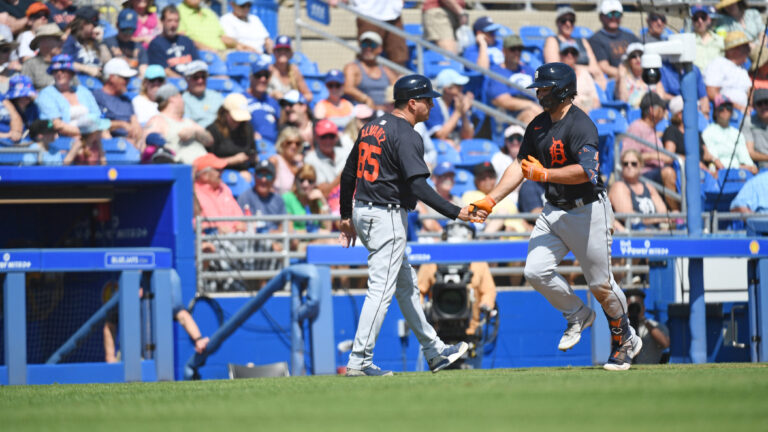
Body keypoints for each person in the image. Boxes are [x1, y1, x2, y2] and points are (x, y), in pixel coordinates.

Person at [469, 62, 643, 370]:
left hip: (587, 210)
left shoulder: (581, 125)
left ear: (563, 90)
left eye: (545, 88)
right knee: (535, 271)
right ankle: (577, 313)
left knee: (601, 285)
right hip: (554, 210)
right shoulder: (537, 125)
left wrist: (545, 172)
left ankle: (622, 339)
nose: (540, 94)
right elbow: (520, 165)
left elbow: (588, 171)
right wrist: (491, 199)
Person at [337, 74, 483, 376]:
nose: (431, 105)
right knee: (381, 290)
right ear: (412, 102)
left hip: (365, 211)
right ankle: (359, 361)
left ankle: (435, 351)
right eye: (427, 100)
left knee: (406, 286)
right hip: (385, 215)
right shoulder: (406, 134)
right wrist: (456, 212)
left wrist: (345, 216)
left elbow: (348, 173)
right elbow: (418, 186)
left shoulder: (371, 126)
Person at [417, 222, 496, 342]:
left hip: (470, 330)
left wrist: (486, 305)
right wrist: (421, 309)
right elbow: (418, 290)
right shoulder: (432, 261)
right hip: (437, 331)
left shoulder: (478, 262)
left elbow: (489, 290)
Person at [621, 92, 678, 198]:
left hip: (656, 172)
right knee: (668, 173)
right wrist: (655, 156)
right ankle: (677, 213)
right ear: (652, 110)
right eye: (662, 108)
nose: (665, 111)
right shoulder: (636, 127)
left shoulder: (652, 130)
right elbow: (627, 156)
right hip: (643, 174)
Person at [35, 54, 101, 140]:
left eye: (63, 70)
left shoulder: (83, 91)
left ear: (71, 73)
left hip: (93, 134)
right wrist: (86, 134)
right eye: (55, 71)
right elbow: (56, 124)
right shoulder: (46, 94)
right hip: (65, 139)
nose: (59, 73)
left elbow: (97, 116)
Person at [144, 82, 212, 164]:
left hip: (208, 164)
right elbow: (146, 149)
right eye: (180, 96)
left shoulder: (188, 121)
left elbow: (210, 141)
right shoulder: (158, 120)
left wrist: (195, 133)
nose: (183, 101)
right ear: (172, 98)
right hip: (185, 170)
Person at [543, 5, 605, 90]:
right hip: (567, 82)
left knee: (601, 78)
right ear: (558, 23)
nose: (568, 24)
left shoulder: (582, 41)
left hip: (588, 81)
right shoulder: (553, 40)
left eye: (571, 21)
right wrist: (580, 69)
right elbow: (555, 69)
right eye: (564, 20)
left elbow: (595, 69)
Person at [609, 149, 670, 231]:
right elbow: (629, 217)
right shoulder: (619, 186)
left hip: (653, 233)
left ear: (641, 166)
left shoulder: (648, 187)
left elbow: (663, 212)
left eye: (633, 164)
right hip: (632, 237)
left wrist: (661, 219)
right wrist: (657, 219)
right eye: (625, 164)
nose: (629, 166)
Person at [486, 34, 541, 124]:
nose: (517, 53)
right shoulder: (497, 72)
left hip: (536, 108)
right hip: (511, 116)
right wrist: (531, 105)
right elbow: (503, 101)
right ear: (504, 51)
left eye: (519, 49)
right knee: (530, 115)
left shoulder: (528, 70)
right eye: (512, 49)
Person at [461, 161, 525, 234]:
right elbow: (474, 220)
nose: (487, 180)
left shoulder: (506, 197)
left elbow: (522, 221)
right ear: (476, 181)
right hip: (494, 237)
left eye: (491, 177)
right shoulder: (470, 195)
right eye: (483, 178)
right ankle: (483, 241)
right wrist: (504, 228)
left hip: (517, 238)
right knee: (502, 212)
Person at [343, 31, 397, 111]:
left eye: (372, 45)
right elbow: (347, 88)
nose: (368, 48)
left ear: (380, 49)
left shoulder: (386, 70)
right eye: (364, 44)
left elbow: (398, 87)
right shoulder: (352, 67)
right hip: (363, 112)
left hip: (385, 112)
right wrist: (366, 99)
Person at [702, 97, 758, 174]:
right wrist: (739, 167)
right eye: (721, 108)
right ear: (715, 112)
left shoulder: (737, 133)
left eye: (728, 108)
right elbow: (716, 161)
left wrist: (751, 167)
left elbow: (745, 158)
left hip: (740, 172)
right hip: (720, 174)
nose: (725, 111)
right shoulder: (708, 132)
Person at [344, 0, 408, 67]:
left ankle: (398, 77)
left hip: (394, 12)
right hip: (368, 13)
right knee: (367, 55)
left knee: (399, 56)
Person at [206, 92, 256, 178]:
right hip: (218, 174)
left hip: (244, 173)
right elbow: (207, 162)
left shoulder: (247, 129)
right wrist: (232, 160)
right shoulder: (212, 131)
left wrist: (252, 158)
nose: (238, 122)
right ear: (225, 113)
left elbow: (252, 151)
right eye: (235, 119)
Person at [92, 58, 141, 144]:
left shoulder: (126, 100)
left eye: (128, 78)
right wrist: (122, 124)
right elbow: (95, 123)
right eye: (125, 78)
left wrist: (136, 128)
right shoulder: (97, 96)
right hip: (109, 142)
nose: (128, 82)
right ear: (112, 78)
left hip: (131, 143)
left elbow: (135, 121)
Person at [588, 0, 640, 80]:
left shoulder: (630, 36)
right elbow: (604, 67)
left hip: (637, 77)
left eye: (617, 14)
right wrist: (628, 76)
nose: (613, 18)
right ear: (601, 17)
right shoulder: (595, 39)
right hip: (615, 80)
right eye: (609, 14)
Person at [424, 68, 475, 149]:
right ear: (447, 88)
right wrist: (458, 112)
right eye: (458, 86)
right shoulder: (433, 104)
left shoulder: (458, 102)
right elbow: (440, 136)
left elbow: (468, 136)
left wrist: (464, 113)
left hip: (453, 146)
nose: (461, 89)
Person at [282, 164, 332, 242]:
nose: (305, 184)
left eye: (310, 181)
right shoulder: (288, 198)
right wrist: (314, 233)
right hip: (298, 245)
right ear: (296, 180)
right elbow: (289, 232)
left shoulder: (317, 199)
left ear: (315, 183)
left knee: (332, 241)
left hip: (317, 242)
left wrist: (323, 201)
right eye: (302, 180)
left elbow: (328, 228)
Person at [704, 31, 752, 112]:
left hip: (746, 112)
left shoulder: (743, 68)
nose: (749, 50)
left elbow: (750, 91)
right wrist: (738, 107)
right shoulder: (718, 63)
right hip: (726, 111)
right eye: (746, 47)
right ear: (735, 50)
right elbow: (711, 93)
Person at [147, 5, 199, 78]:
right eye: (169, 20)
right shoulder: (155, 44)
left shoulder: (186, 41)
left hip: (191, 81)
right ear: (162, 21)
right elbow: (163, 70)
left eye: (176, 21)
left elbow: (197, 64)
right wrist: (183, 81)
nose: (173, 24)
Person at [61, 6, 112, 78]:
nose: (96, 28)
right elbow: (65, 62)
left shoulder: (95, 40)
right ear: (83, 24)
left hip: (98, 82)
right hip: (79, 81)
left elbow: (108, 62)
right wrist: (87, 69)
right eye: (94, 25)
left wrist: (101, 41)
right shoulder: (71, 40)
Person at [304, 119, 350, 196]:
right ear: (316, 138)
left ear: (336, 137)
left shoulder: (346, 153)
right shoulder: (310, 160)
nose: (328, 141)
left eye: (331, 136)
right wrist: (344, 175)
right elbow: (324, 192)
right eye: (323, 137)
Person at [616, 43, 669, 108]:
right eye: (633, 56)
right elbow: (623, 101)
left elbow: (661, 98)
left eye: (641, 55)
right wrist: (622, 77)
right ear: (628, 61)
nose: (638, 59)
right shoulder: (624, 78)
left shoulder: (652, 74)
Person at [624, 289, 670, 364]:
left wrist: (645, 322)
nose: (634, 310)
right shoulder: (622, 328)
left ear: (644, 307)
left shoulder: (655, 326)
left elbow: (665, 344)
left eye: (637, 306)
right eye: (631, 307)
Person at [418, 160, 464, 233]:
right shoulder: (426, 198)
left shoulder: (458, 201)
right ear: (434, 179)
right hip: (434, 240)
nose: (448, 179)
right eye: (444, 176)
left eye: (451, 176)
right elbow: (429, 224)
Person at [558, 40, 600, 114]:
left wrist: (591, 112)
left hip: (588, 112)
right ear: (560, 55)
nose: (570, 55)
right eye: (566, 52)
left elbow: (596, 99)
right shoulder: (554, 76)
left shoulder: (585, 74)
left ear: (577, 56)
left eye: (573, 53)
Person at [267, 35, 312, 103]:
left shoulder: (294, 70)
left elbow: (308, 95)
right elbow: (258, 93)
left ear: (290, 53)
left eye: (286, 50)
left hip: (290, 110)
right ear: (274, 52)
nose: (282, 53)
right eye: (279, 50)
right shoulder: (269, 70)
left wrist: (296, 101)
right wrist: (273, 95)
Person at [104, 8, 148, 76]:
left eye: (131, 30)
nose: (127, 33)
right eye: (124, 29)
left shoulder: (138, 47)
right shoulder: (108, 43)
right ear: (117, 25)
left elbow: (143, 69)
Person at [244, 59, 279, 144]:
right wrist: (249, 134)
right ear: (251, 77)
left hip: (274, 147)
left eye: (266, 75)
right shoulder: (242, 99)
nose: (263, 79)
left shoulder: (273, 102)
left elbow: (282, 125)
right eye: (258, 75)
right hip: (251, 146)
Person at [21, 22, 63, 90]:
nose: (62, 42)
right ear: (44, 42)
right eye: (57, 39)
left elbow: (76, 88)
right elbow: (25, 91)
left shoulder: (65, 63)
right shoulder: (30, 65)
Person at [181, 60, 222, 128]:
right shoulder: (182, 100)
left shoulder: (216, 96)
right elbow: (187, 126)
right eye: (195, 77)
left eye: (203, 77)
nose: (200, 81)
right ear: (187, 79)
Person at [270, 126, 303, 195]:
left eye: (297, 143)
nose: (294, 146)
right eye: (289, 142)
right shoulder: (275, 161)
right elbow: (268, 187)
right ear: (282, 143)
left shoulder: (300, 165)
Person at [691, 4, 724, 73]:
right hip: (697, 80)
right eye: (696, 18)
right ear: (692, 21)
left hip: (717, 79)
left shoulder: (720, 40)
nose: (700, 21)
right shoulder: (688, 41)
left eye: (703, 17)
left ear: (709, 19)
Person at [743, 88, 768, 170]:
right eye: (759, 104)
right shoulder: (748, 122)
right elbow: (750, 153)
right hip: (762, 167)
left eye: (766, 102)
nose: (764, 106)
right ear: (754, 106)